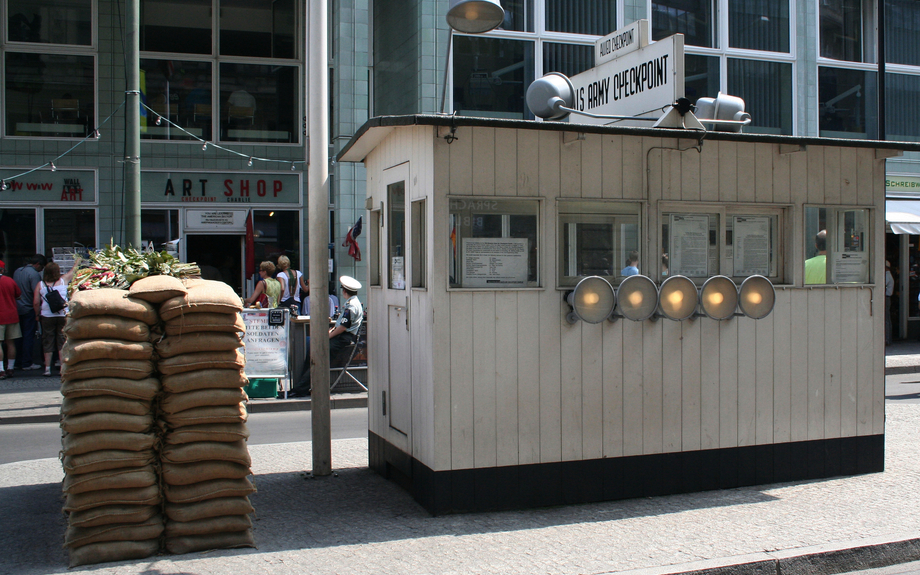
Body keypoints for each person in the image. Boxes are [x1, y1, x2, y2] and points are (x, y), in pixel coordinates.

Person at [288, 275, 363, 398]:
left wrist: (327, 336)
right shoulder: (354, 303)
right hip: (343, 337)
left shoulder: (351, 306)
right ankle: (302, 387)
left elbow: (343, 327)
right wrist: (331, 331)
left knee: (317, 359)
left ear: (344, 291)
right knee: (312, 354)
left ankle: (300, 389)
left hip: (342, 339)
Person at [32, 261, 75, 377]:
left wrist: (37, 315)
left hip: (47, 316)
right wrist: (78, 261)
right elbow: (73, 271)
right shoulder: (63, 280)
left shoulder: (40, 284)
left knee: (48, 340)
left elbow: (36, 302)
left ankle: (47, 369)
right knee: (62, 340)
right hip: (62, 315)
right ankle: (62, 367)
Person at [13, 254, 45, 370]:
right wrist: (38, 312)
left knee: (18, 336)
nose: (41, 270)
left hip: (17, 308)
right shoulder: (34, 274)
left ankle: (17, 361)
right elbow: (37, 293)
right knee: (28, 336)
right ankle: (27, 362)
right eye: (41, 268)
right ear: (38, 264)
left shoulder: (17, 271)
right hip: (29, 308)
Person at [0, 260, 23, 379]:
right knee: (11, 343)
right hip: (11, 315)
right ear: (3, 270)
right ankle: (10, 368)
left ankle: (1, 370)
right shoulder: (9, 281)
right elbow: (18, 295)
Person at [886, 260, 894, 346]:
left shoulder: (887, 276)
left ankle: (887, 339)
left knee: (886, 319)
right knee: (887, 319)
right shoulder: (889, 275)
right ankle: (888, 338)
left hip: (886, 297)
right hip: (887, 297)